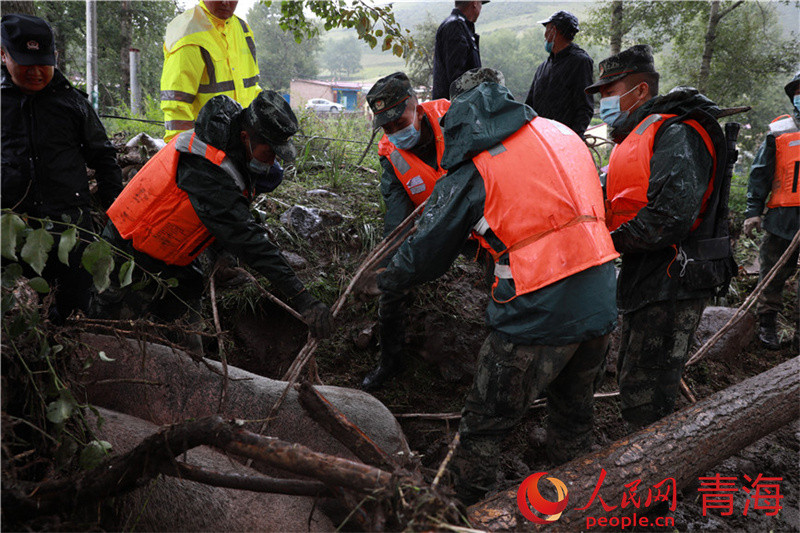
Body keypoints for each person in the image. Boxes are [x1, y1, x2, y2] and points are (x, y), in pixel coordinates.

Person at [358, 68, 619, 504]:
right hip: (600, 299)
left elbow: (427, 252)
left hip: (538, 307)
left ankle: (468, 511)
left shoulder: (478, 160)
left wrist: (386, 277)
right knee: (574, 418)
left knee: (482, 427)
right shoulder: (559, 133)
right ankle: (573, 505)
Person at [92, 90, 332, 344]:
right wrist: (301, 296)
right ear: (245, 137)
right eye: (269, 152)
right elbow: (246, 236)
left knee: (188, 346)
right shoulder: (204, 167)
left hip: (176, 261)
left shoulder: (234, 149)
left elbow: (220, 214)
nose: (272, 161)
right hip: (128, 257)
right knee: (112, 341)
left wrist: (221, 253)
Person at [585, 45, 735, 429]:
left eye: (609, 90)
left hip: (675, 278)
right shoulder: (634, 137)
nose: (604, 101)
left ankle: (656, 476)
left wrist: (605, 242)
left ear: (639, 91)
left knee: (648, 392)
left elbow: (670, 218)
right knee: (635, 378)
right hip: (647, 273)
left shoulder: (676, 133)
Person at [1, 14, 123, 324]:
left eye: (43, 62)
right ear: (3, 55)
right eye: (25, 62)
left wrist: (117, 213)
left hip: (71, 228)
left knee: (74, 311)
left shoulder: (73, 104)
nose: (36, 71)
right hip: (12, 231)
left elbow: (104, 158)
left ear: (55, 57)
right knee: (17, 315)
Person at [361, 72, 451, 390]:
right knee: (392, 280)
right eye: (387, 127)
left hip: (482, 218)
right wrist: (387, 263)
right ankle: (391, 361)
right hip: (433, 225)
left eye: (400, 122)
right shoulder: (389, 154)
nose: (395, 132)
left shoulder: (455, 118)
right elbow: (397, 216)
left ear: (415, 104)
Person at [742, 72, 800, 351]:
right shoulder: (780, 131)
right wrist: (753, 211)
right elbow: (760, 174)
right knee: (773, 272)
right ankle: (766, 325)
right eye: (798, 91)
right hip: (781, 219)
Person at [161, 0, 261, 142]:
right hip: (204, 145)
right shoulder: (188, 30)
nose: (226, 2)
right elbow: (176, 103)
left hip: (242, 141)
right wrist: (181, 150)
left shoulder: (243, 29)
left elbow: (251, 87)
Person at [524, 10, 594, 138]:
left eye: (547, 29)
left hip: (564, 140)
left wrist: (574, 139)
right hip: (541, 138)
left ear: (554, 30)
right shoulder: (543, 67)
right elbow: (529, 106)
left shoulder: (580, 62)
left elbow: (585, 107)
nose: (545, 35)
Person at [431, 1, 488, 101]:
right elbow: (457, 78)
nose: (481, 7)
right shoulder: (455, 26)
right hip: (455, 109)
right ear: (474, 3)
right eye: (481, 3)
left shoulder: (461, 26)